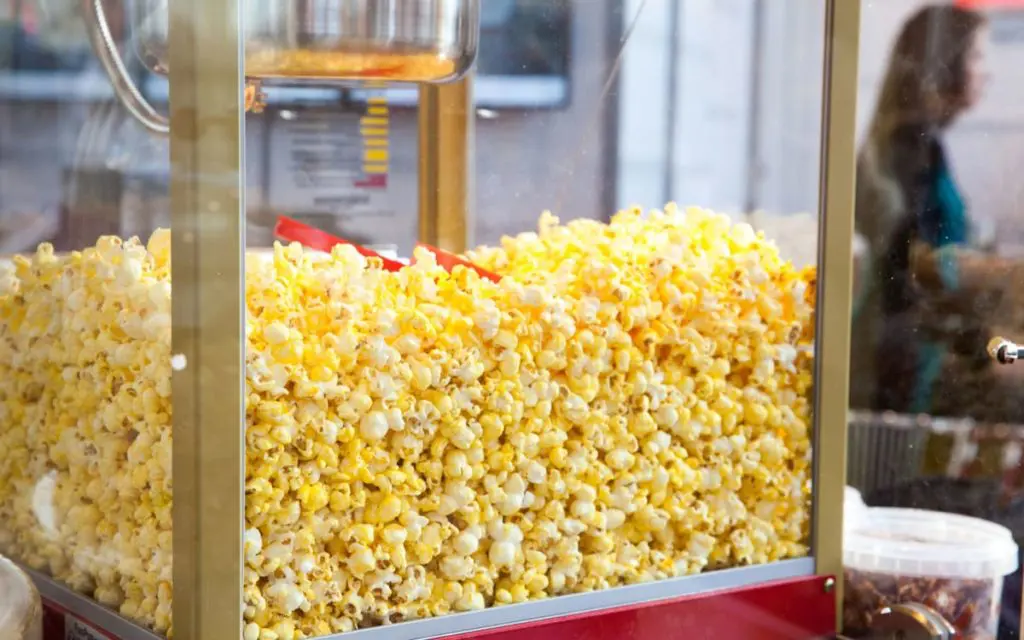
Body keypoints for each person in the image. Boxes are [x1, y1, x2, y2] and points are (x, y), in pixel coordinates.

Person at [850, 4, 996, 416]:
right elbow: (916, 272)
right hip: (900, 359)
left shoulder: (924, 144)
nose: (987, 72)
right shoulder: (910, 149)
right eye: (978, 55)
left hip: (908, 349)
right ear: (947, 62)